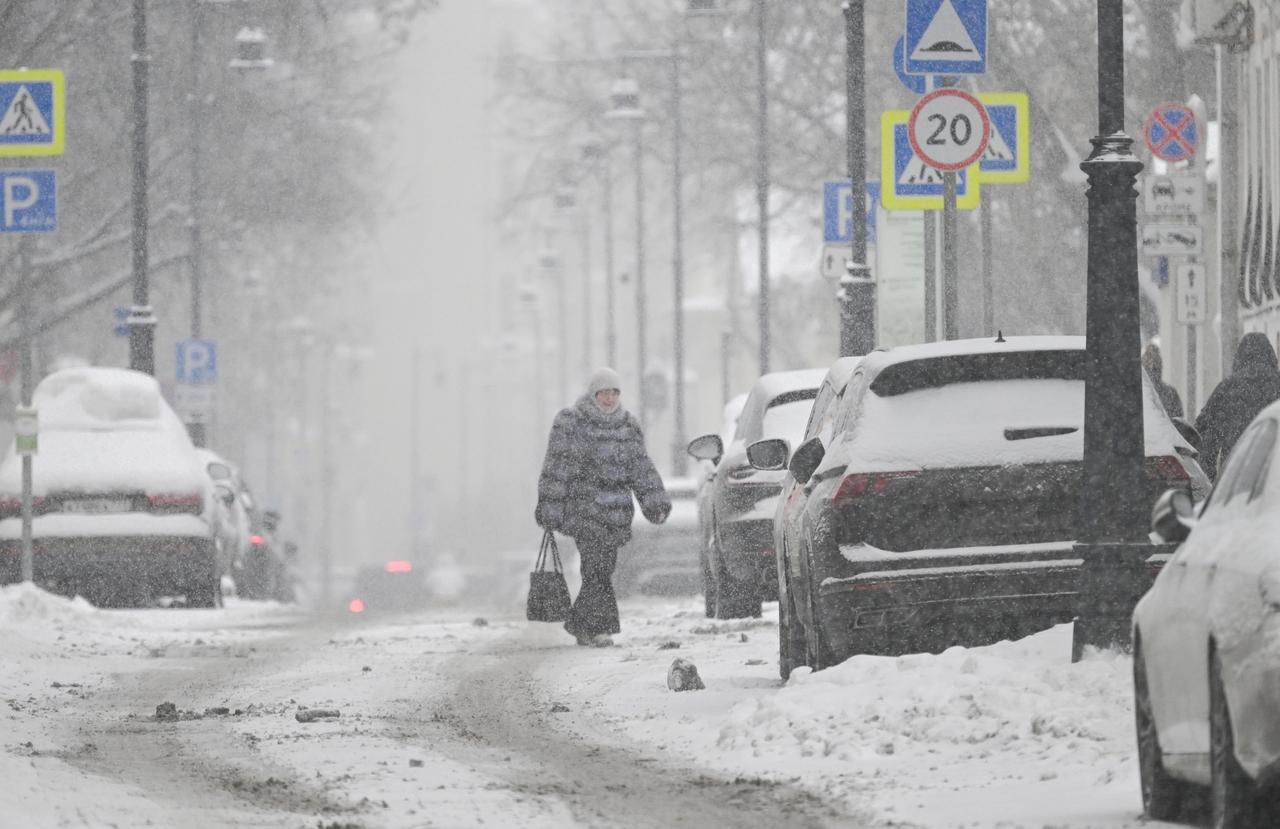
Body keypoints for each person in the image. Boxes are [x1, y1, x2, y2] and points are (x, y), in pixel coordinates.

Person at [535, 367, 670, 647]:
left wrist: (654, 501)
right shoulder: (572, 422)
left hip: (616, 514)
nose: (609, 399)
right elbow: (556, 467)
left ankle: (581, 624)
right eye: (603, 393)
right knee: (598, 567)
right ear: (593, 394)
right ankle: (600, 629)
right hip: (584, 510)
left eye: (614, 393)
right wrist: (550, 506)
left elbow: (640, 468)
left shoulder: (628, 426)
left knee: (601, 569)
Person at [1194, 332, 1280, 480]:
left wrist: (1211, 481)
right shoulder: (1277, 386)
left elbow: (1206, 435)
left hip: (1235, 475)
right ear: (1271, 355)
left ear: (1240, 357)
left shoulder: (1228, 388)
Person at [1142, 342, 1183, 419]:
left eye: (1155, 367)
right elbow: (1178, 421)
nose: (1152, 367)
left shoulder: (1170, 393)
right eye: (1149, 367)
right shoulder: (1170, 393)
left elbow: (1178, 421)